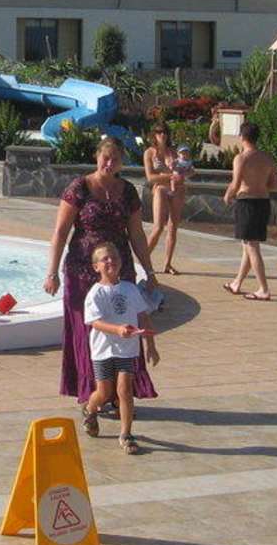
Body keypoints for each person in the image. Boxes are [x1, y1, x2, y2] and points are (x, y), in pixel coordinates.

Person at [44, 136, 159, 406]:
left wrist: (150, 272)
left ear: (121, 162)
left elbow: (137, 234)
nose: (109, 163)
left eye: (115, 159)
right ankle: (94, 392)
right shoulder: (79, 188)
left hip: (119, 270)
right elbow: (60, 232)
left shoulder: (128, 191)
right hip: (82, 273)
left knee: (124, 327)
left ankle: (121, 393)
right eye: (105, 157)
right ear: (97, 156)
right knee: (88, 332)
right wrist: (52, 273)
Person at [81, 243, 159, 454]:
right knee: (104, 392)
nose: (110, 261)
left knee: (125, 390)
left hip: (127, 349)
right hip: (103, 350)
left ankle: (126, 434)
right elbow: (94, 322)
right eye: (104, 259)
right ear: (96, 266)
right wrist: (117, 329)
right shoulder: (95, 293)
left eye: (114, 257)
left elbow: (143, 316)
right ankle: (90, 409)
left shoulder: (130, 289)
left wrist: (151, 345)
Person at [222, 122, 277, 301]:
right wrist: (260, 184)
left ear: (242, 137)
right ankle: (237, 283)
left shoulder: (241, 158)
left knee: (252, 246)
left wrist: (228, 195)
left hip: (247, 202)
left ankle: (263, 289)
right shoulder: (267, 158)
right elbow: (276, 184)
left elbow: (236, 182)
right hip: (263, 202)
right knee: (247, 245)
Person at [142, 123, 187, 275]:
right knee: (158, 227)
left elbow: (183, 171)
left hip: (177, 188)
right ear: (154, 135)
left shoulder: (173, 152)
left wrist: (175, 175)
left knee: (173, 227)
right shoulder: (149, 153)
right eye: (159, 132)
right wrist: (169, 176)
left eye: (165, 132)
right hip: (161, 189)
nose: (162, 135)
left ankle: (167, 264)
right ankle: (143, 260)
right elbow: (150, 177)